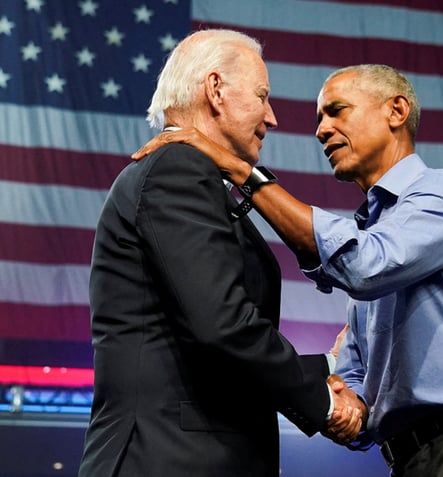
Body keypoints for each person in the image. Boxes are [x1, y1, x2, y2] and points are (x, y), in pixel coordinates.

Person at [133, 64, 443, 476]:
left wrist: (243, 173)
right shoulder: (376, 232)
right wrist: (334, 401)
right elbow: (356, 383)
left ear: (396, 111)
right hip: (413, 460)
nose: (321, 130)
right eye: (320, 119)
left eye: (336, 111)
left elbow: (364, 266)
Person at [78, 29, 363, 477]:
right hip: (168, 459)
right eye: (262, 95)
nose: (271, 117)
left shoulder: (197, 177)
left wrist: (328, 367)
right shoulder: (177, 168)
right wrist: (324, 398)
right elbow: (221, 325)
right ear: (215, 90)